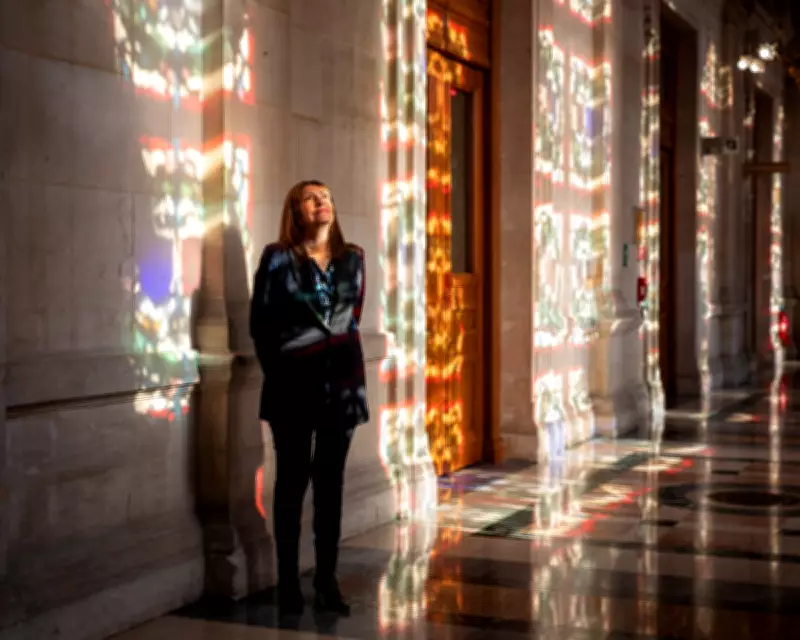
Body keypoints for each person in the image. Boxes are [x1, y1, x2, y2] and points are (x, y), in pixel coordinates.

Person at [249, 180, 369, 616]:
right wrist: (284, 371)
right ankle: (287, 583)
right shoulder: (278, 257)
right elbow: (260, 324)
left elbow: (349, 318)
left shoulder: (353, 258)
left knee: (330, 486)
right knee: (291, 484)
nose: (322, 203)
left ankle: (326, 580)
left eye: (327, 197)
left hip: (342, 387)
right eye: (311, 198)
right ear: (296, 211)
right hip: (292, 388)